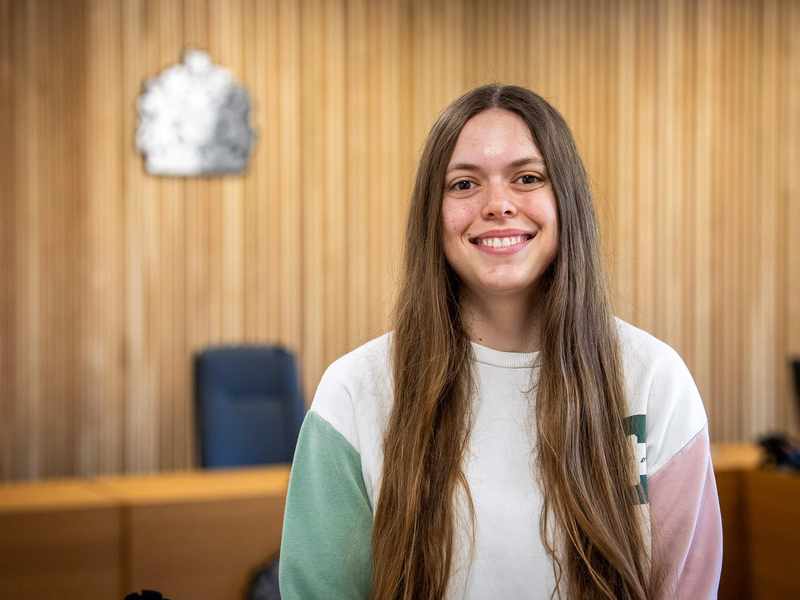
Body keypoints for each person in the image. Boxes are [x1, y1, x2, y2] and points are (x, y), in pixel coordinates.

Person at [278, 84, 723, 600]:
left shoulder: (653, 380)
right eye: (464, 184)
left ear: (567, 200)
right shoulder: (355, 391)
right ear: (433, 214)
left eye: (528, 178)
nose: (498, 205)